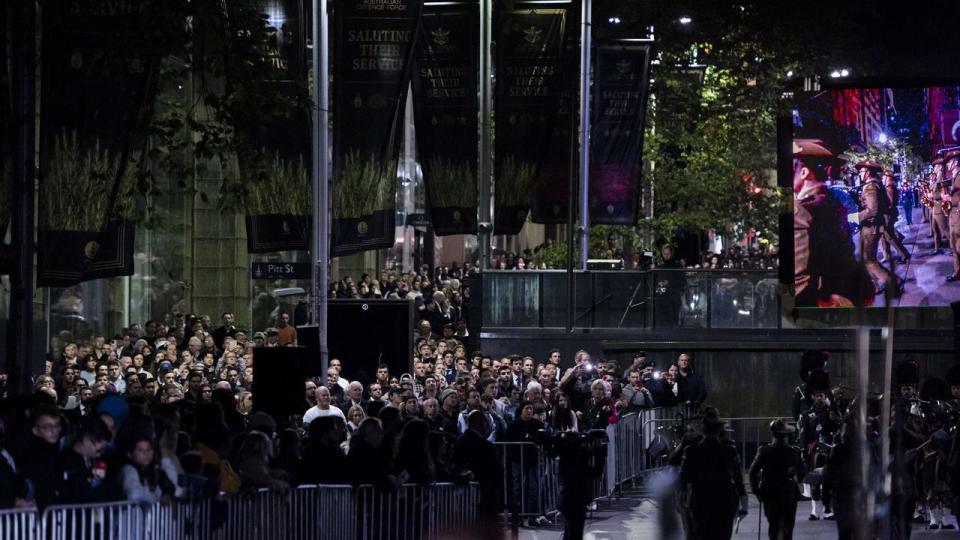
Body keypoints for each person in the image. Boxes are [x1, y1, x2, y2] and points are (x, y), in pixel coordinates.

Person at [793, 139, 871, 307]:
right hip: (845, 292)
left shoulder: (801, 212)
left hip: (823, 303)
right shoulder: (834, 199)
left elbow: (799, 280)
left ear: (804, 173)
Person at [679, 408, 747, 540]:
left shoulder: (692, 450)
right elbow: (738, 478)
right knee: (722, 535)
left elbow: (684, 477)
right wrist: (744, 505)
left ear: (703, 429)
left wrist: (683, 500)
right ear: (719, 430)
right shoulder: (729, 450)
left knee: (701, 534)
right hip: (724, 499)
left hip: (700, 498)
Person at [749, 419, 806, 540]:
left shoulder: (764, 451)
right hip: (789, 494)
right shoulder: (794, 452)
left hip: (770, 494)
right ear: (787, 435)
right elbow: (803, 471)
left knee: (773, 526)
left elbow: (752, 473)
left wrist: (757, 492)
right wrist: (796, 474)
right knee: (788, 528)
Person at [798, 370, 840, 520]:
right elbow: (803, 434)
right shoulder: (806, 415)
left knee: (830, 482)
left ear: (825, 396)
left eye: (822, 395)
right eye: (817, 395)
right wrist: (803, 451)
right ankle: (815, 511)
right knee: (815, 481)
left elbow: (839, 428)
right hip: (814, 450)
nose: (819, 398)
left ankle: (828, 510)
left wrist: (834, 411)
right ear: (812, 397)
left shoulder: (832, 413)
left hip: (830, 450)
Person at [454, 411, 503, 539]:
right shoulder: (486, 447)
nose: (488, 427)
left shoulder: (460, 441)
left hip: (462, 497)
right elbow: (496, 473)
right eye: (486, 423)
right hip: (485, 494)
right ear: (480, 424)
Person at [857, 161, 897, 295]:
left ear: (867, 173)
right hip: (874, 226)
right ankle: (875, 286)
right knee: (866, 259)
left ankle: (891, 282)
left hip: (871, 228)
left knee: (869, 260)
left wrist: (853, 217)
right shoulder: (877, 185)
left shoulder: (870, 187)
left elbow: (872, 210)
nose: (859, 174)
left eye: (861, 171)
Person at [879, 170, 911, 265]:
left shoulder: (889, 187)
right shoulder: (889, 186)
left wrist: (882, 208)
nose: (883, 178)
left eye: (884, 176)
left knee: (889, 236)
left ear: (888, 177)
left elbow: (890, 202)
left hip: (888, 214)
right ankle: (887, 255)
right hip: (887, 214)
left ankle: (904, 254)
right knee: (884, 236)